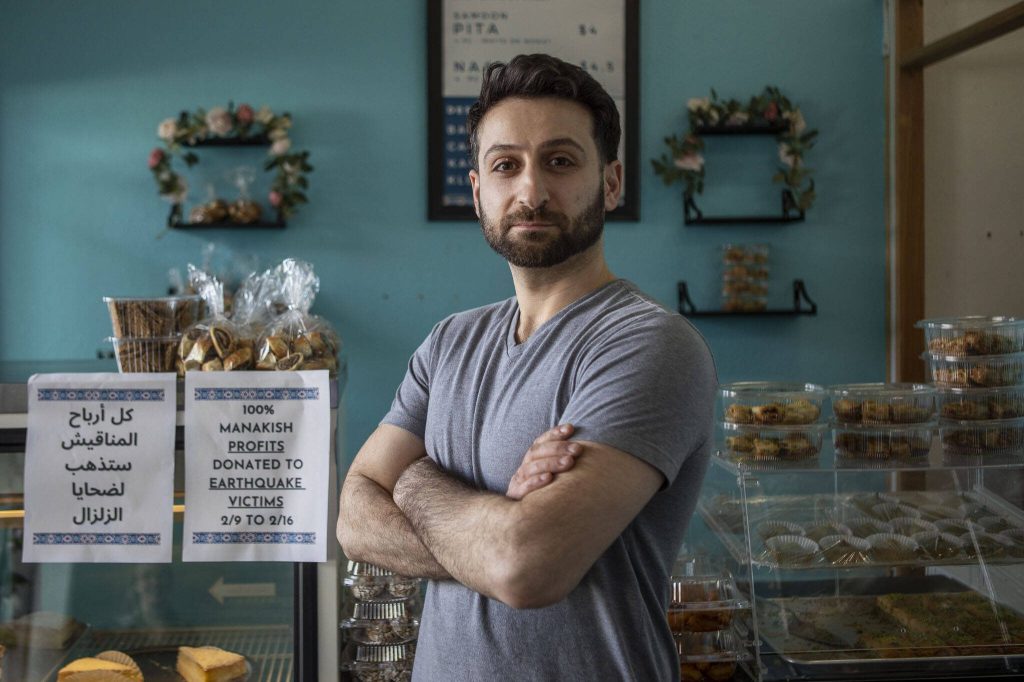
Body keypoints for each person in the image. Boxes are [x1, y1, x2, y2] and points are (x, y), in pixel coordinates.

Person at [338, 53, 716, 681]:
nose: (532, 191)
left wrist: (411, 481)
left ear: (612, 182)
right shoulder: (449, 342)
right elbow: (352, 515)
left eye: (561, 162)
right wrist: (491, 524)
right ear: (478, 189)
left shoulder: (649, 345)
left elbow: (526, 567)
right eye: (506, 165)